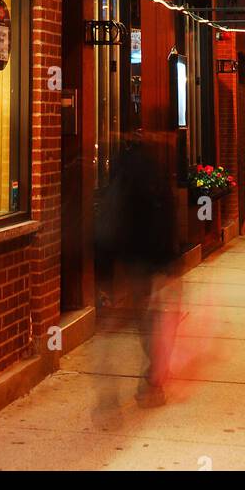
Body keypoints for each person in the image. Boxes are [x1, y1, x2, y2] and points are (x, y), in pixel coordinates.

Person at [95, 132, 178, 405]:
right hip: (146, 256)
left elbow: (109, 219)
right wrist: (167, 262)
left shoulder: (119, 174)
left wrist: (105, 272)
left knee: (134, 316)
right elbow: (164, 216)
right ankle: (152, 382)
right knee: (146, 318)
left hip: (127, 255)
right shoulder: (154, 172)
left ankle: (114, 386)